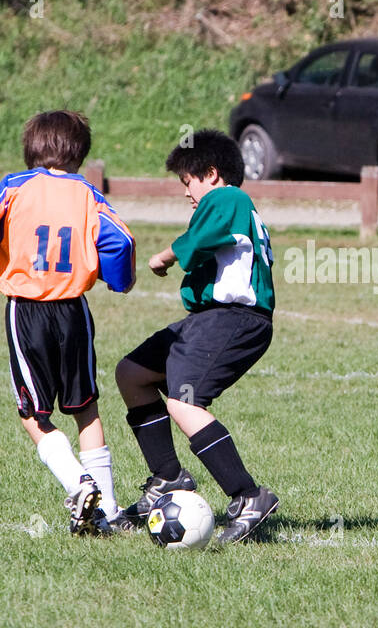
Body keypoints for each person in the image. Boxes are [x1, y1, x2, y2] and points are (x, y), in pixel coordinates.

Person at [0, 111, 136, 535]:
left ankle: (79, 485)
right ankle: (108, 511)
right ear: (78, 152)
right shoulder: (89, 194)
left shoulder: (16, 186)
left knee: (32, 414)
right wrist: (120, 280)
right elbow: (122, 241)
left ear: (32, 148)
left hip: (28, 310)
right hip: (74, 312)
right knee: (86, 409)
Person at [114, 130, 278, 545]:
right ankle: (169, 477)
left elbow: (201, 239)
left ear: (210, 173)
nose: (187, 193)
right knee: (132, 373)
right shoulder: (229, 204)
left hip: (233, 318)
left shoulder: (229, 198)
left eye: (188, 182)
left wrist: (164, 256)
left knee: (185, 401)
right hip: (209, 318)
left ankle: (248, 495)